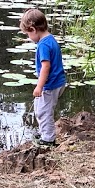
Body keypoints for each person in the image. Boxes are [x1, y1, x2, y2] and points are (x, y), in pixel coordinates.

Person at [19, 8, 66, 149]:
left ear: (33, 29)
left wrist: (39, 86)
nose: (28, 37)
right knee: (41, 108)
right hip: (58, 82)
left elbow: (46, 66)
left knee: (44, 111)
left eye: (27, 34)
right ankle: (45, 132)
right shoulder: (50, 39)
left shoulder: (43, 45)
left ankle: (48, 140)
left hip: (50, 85)